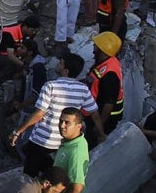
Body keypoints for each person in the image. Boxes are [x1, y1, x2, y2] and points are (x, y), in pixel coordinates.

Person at [10, 52, 102, 180]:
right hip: (64, 141)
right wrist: (102, 134)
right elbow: (94, 114)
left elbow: (39, 113)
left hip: (43, 140)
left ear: (65, 70)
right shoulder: (83, 89)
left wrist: (18, 130)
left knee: (29, 175)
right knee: (49, 172)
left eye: (60, 63)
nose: (57, 65)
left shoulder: (50, 86)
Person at [88, 31, 125, 134]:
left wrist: (99, 125)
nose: (94, 45)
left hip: (106, 118)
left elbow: (109, 104)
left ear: (102, 50)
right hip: (97, 110)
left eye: (96, 45)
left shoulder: (110, 75)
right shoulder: (106, 61)